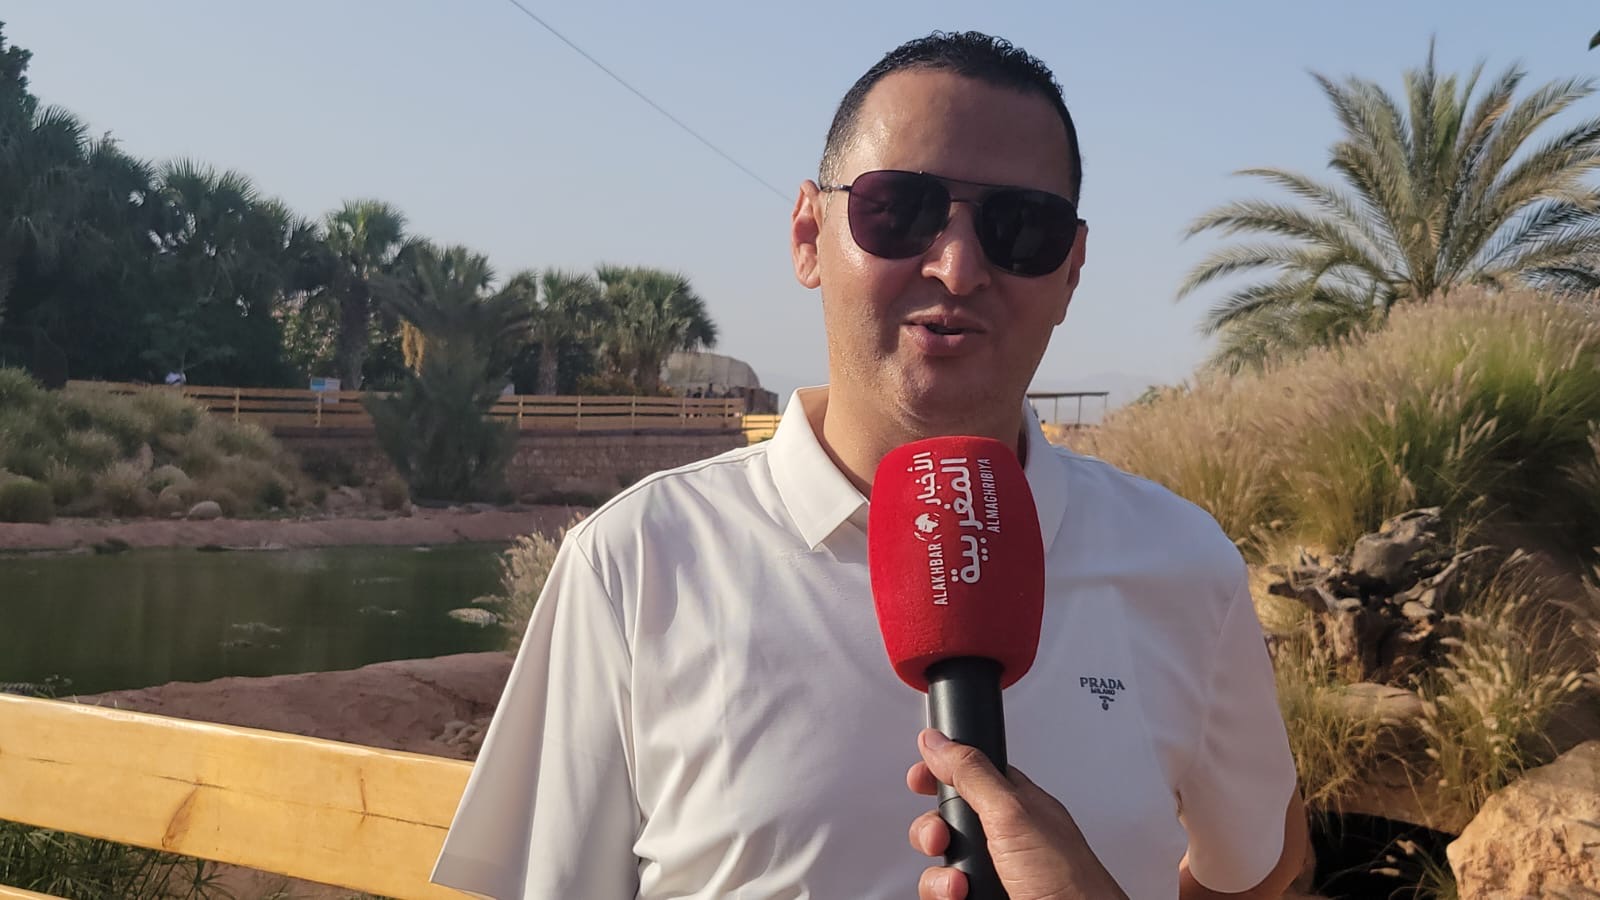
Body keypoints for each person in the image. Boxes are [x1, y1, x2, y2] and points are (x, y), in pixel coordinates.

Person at [431, 30, 1304, 899]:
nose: (958, 268)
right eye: (899, 210)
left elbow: (1257, 866)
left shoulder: (1185, 566)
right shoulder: (636, 564)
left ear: (1072, 270)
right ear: (809, 235)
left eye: (1021, 228)